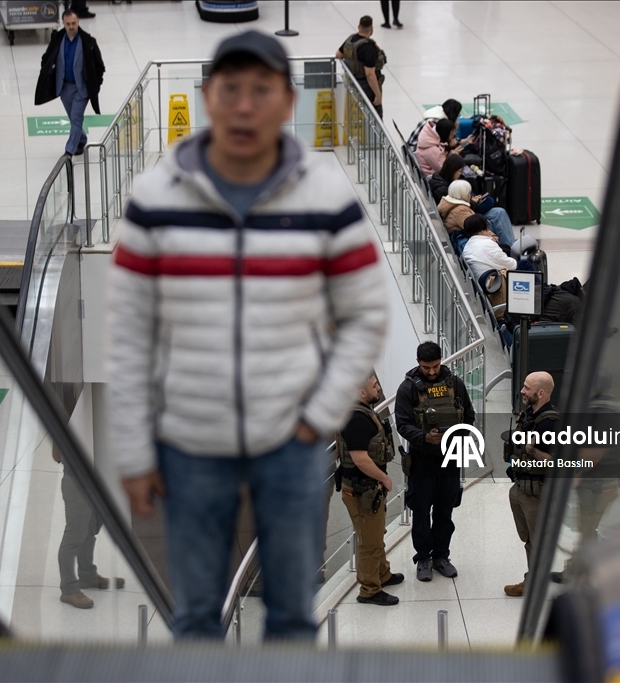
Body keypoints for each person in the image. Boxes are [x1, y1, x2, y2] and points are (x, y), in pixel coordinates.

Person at [107, 31, 388, 641]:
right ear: (207, 97)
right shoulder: (156, 199)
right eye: (229, 89)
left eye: (261, 90)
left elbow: (366, 310)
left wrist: (319, 413)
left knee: (292, 610)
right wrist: (132, 446)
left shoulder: (325, 196)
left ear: (287, 103)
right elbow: (128, 330)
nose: (243, 105)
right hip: (189, 445)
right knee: (195, 612)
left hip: (291, 447)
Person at [395, 342, 475, 582]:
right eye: (426, 367)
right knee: (421, 510)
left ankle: (441, 556)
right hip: (422, 461)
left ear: (441, 360)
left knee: (445, 509)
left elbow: (469, 417)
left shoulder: (455, 385)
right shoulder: (407, 388)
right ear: (418, 363)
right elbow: (402, 424)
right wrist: (424, 437)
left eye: (435, 366)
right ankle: (423, 558)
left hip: (450, 459)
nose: (431, 372)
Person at [336, 373, 404, 606]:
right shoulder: (356, 419)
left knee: (376, 535)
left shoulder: (362, 411)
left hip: (368, 489)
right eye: (374, 386)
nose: (379, 388)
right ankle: (369, 589)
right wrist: (384, 478)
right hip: (361, 491)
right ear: (361, 392)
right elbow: (360, 459)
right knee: (369, 541)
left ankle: (382, 574)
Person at [504, 371, 560, 598]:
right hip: (521, 488)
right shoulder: (529, 415)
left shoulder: (551, 423)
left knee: (538, 542)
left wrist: (531, 450)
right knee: (529, 540)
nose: (522, 391)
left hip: (538, 493)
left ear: (541, 393)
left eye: (527, 388)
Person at [55, 447, 125, 609]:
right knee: (74, 536)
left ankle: (87, 576)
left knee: (89, 530)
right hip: (78, 481)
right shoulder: (71, 420)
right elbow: (57, 453)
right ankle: (69, 589)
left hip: (99, 480)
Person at [34, 10, 106, 156]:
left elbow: (99, 66)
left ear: (78, 21)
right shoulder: (58, 39)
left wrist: (95, 85)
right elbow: (47, 58)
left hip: (82, 89)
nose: (71, 26)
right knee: (73, 119)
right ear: (63, 23)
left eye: (73, 23)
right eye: (68, 24)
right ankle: (81, 139)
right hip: (64, 87)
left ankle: (69, 151)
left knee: (76, 117)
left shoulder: (88, 42)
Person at [437, 179, 515, 251]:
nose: (470, 195)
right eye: (468, 193)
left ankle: (511, 245)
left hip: (466, 230)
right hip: (469, 234)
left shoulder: (452, 203)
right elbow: (475, 228)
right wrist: (492, 237)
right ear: (462, 195)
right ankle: (512, 247)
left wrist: (473, 203)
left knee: (498, 212)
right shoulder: (460, 211)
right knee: (496, 218)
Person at [337, 16, 387, 118]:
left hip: (352, 83)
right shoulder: (368, 48)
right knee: (374, 117)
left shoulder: (350, 39)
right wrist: (377, 94)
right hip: (366, 87)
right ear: (371, 28)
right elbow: (370, 75)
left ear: (359, 26)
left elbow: (338, 54)